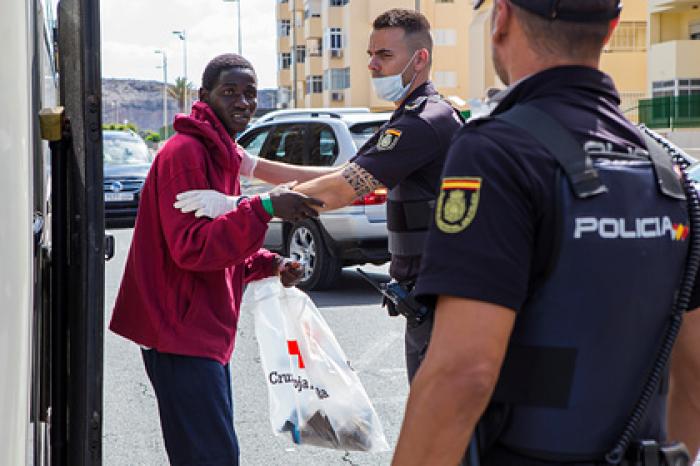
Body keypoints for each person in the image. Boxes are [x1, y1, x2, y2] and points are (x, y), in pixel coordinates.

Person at [391, 1, 700, 465]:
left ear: (502, 19)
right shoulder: (667, 170)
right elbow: (694, 373)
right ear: (612, 28)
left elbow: (462, 374)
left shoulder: (495, 153)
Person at [176, 9, 464, 383]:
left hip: (441, 301)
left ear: (420, 58)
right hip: (429, 297)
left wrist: (243, 206)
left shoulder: (422, 122)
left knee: (438, 428)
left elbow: (341, 190)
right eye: (370, 55)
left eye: (385, 56)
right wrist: (252, 166)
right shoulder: (412, 116)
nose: (372, 65)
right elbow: (339, 174)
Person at [109, 53, 323, 466]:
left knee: (209, 454)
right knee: (211, 457)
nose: (243, 102)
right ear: (204, 96)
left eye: (250, 93)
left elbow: (223, 244)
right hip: (179, 334)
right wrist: (262, 208)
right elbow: (193, 248)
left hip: (200, 333)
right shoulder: (186, 153)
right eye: (230, 92)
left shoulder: (221, 154)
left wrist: (270, 263)